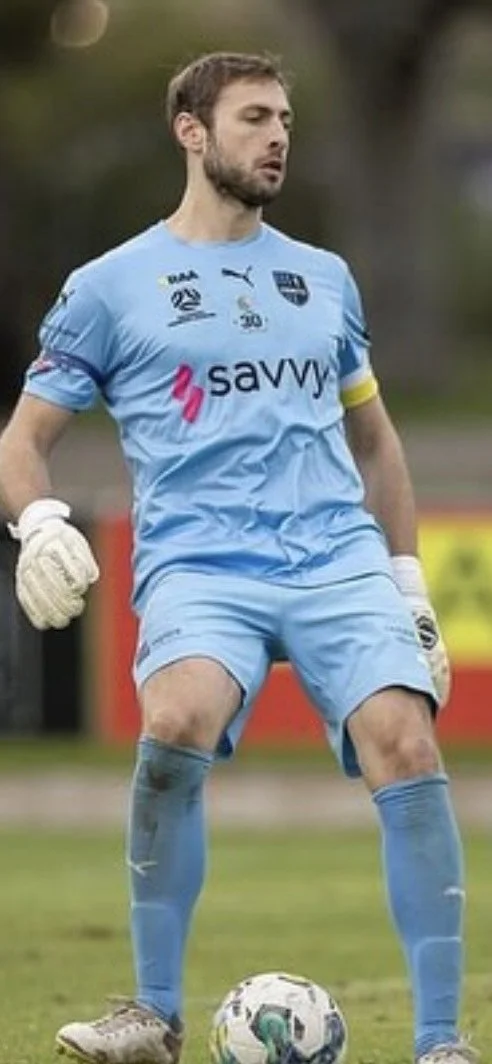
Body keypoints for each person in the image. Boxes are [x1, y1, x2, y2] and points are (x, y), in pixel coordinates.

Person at [0, 50, 476, 1064]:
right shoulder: (109, 286)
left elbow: (377, 442)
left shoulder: (325, 278)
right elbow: (22, 437)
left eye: (287, 122)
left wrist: (407, 586)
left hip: (334, 555)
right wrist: (37, 523)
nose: (277, 138)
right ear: (191, 130)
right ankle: (155, 1017)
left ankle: (439, 1041)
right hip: (200, 562)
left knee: (408, 739)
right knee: (173, 718)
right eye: (256, 117)